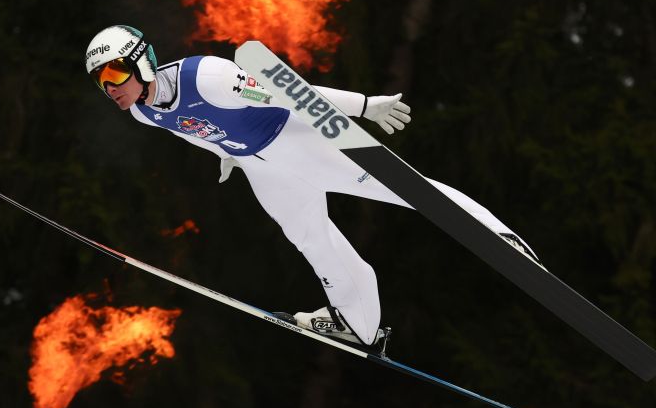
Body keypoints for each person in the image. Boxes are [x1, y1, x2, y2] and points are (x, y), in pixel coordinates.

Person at [85, 25, 541, 347]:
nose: (112, 89)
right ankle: (357, 322)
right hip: (261, 169)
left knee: (405, 190)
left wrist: (364, 106)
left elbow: (293, 94)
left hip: (298, 140)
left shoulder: (209, 76)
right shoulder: (144, 111)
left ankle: (496, 236)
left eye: (116, 74)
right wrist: (225, 154)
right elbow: (188, 129)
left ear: (142, 59)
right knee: (311, 240)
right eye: (102, 83)